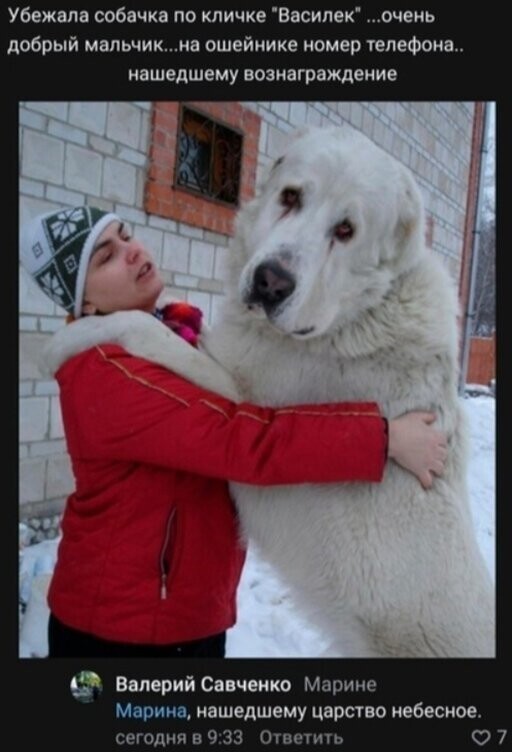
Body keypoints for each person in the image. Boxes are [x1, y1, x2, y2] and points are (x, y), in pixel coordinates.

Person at [20, 206, 447, 658]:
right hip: (123, 629)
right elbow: (242, 439)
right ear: (85, 304)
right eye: (105, 257)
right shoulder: (107, 372)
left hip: (180, 609)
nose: (131, 252)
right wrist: (383, 438)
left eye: (126, 235)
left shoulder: (175, 335)